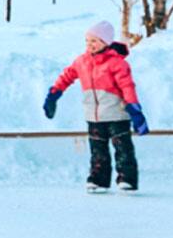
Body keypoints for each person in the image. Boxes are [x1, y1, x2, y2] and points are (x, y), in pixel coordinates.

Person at [43, 20, 148, 193]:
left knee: (123, 148)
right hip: (94, 116)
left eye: (94, 41)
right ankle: (98, 180)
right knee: (98, 151)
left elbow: (127, 87)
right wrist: (53, 95)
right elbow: (66, 76)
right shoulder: (82, 61)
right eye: (87, 40)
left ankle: (127, 179)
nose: (89, 44)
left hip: (117, 114)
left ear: (105, 42)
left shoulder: (117, 63)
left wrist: (135, 110)